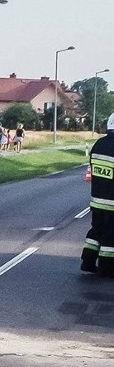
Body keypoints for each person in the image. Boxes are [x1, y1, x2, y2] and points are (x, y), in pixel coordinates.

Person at [82, 113, 114, 276]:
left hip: (97, 200)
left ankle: (87, 261)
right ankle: (107, 267)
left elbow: (93, 170)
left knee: (96, 231)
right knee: (110, 236)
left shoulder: (99, 144)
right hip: (112, 203)